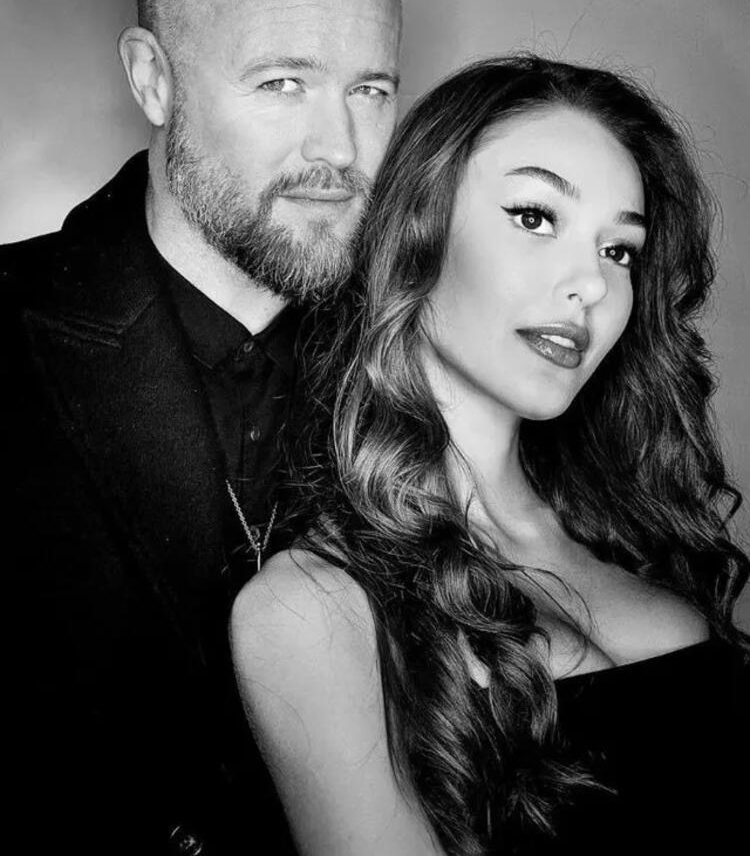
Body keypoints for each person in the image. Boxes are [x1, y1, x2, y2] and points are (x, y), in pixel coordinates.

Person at [231, 55, 750, 856]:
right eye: (536, 217)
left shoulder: (636, 525)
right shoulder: (315, 610)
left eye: (620, 251)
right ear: (417, 231)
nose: (591, 285)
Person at [1, 0, 402, 852]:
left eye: (371, 89)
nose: (341, 149)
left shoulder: (430, 355)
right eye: (282, 83)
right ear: (152, 78)